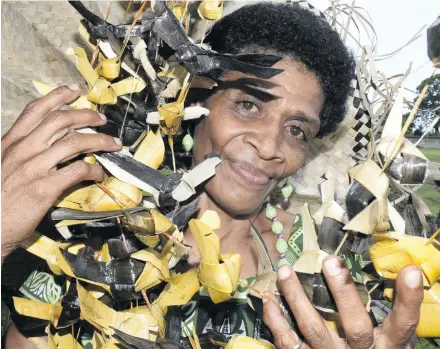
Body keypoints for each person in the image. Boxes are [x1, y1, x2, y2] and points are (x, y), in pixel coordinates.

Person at [1, 2, 423, 349]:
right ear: (195, 102)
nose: (271, 145)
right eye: (247, 105)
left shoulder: (327, 266)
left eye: (297, 130)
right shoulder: (95, 238)